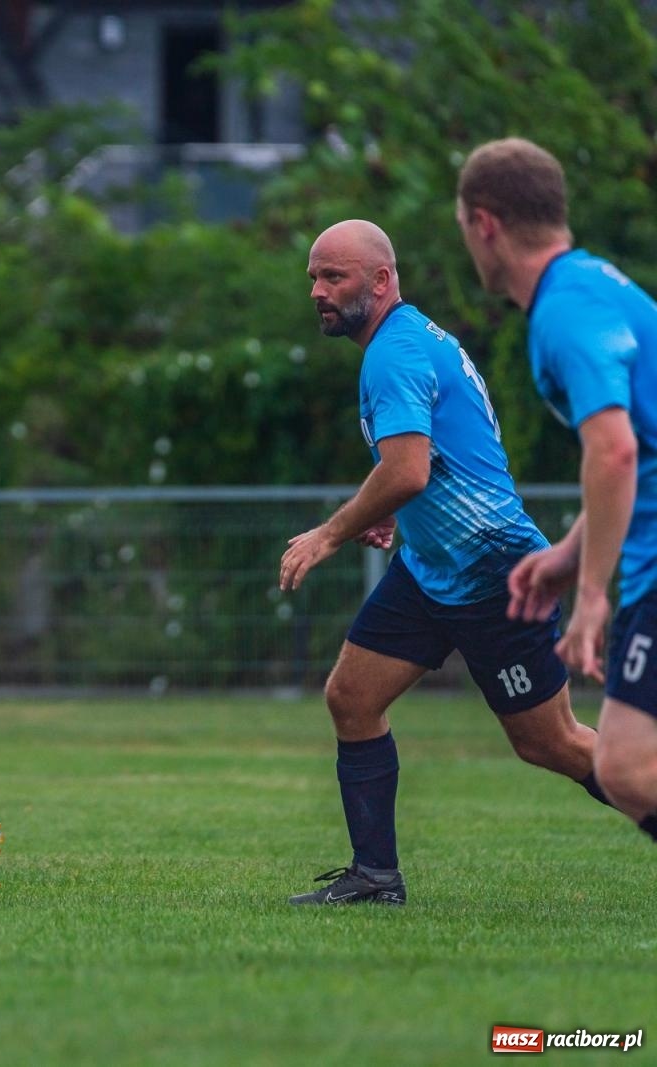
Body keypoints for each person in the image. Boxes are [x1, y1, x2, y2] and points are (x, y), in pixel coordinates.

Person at [278, 219, 611, 905]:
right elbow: (435, 459)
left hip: (494, 571)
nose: (318, 291)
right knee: (352, 697)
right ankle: (375, 877)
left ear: (381, 280)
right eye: (313, 277)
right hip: (433, 568)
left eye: (334, 276)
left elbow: (408, 469)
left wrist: (331, 534)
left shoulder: (394, 352)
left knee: (551, 743)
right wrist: (392, 512)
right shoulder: (412, 339)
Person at [458, 138, 657, 846]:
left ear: (484, 223)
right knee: (628, 765)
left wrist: (593, 593)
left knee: (629, 767)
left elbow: (615, 450)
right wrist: (571, 555)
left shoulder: (565, 311)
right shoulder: (594, 287)